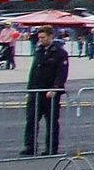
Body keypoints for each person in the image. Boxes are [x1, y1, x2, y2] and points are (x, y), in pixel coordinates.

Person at [22, 27, 69, 156]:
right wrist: (30, 90)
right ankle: (30, 146)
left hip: (50, 93)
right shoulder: (39, 50)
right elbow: (34, 72)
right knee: (31, 120)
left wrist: (56, 88)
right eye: (40, 38)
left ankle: (51, 148)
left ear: (51, 37)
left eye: (43, 37)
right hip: (36, 91)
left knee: (52, 121)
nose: (41, 40)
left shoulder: (60, 53)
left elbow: (62, 73)